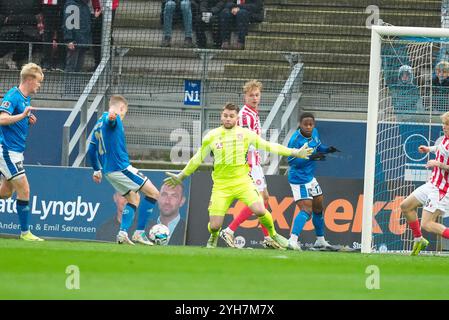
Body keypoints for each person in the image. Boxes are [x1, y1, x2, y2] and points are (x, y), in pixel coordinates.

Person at [164, 102, 313, 249]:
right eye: (225, 115)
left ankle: (274, 235)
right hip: (221, 186)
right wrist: (182, 175)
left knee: (260, 209)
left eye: (231, 116)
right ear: (221, 117)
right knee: (215, 226)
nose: (228, 118)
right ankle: (214, 235)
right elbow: (197, 158)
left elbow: (269, 146)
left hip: (243, 182)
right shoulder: (211, 136)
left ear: (237, 118)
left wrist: (294, 152)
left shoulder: (246, 134)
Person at [88, 95, 160, 245]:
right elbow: (111, 121)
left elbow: (91, 149)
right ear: (121, 108)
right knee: (153, 193)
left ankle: (122, 233)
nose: (123, 116)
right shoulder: (111, 118)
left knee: (134, 198)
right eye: (124, 112)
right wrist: (113, 118)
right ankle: (139, 233)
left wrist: (96, 170)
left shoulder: (98, 123)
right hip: (121, 168)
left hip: (108, 172)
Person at [220, 80, 277, 249]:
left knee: (264, 198)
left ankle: (268, 239)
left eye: (257, 95)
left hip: (255, 160)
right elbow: (242, 139)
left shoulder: (253, 113)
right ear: (245, 96)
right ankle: (229, 230)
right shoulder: (244, 115)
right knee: (258, 199)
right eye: (251, 95)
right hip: (248, 161)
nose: (254, 98)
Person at [0, 63, 42, 241]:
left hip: (16, 151)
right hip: (7, 151)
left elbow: (18, 118)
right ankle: (25, 233)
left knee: (6, 192)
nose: (39, 85)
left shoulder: (26, 99)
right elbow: (2, 119)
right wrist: (22, 116)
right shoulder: (13, 96)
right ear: (30, 80)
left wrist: (26, 118)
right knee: (25, 189)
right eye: (38, 82)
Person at [286, 112, 339, 251]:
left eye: (311, 124)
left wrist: (327, 149)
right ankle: (292, 241)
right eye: (305, 124)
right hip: (299, 179)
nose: (309, 127)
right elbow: (291, 161)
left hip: (310, 178)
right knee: (306, 209)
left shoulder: (315, 132)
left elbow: (318, 146)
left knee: (318, 207)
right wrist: (310, 157)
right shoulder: (295, 140)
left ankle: (320, 241)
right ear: (300, 124)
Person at [400, 111, 449, 256]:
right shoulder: (445, 139)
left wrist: (438, 164)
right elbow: (441, 149)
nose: (444, 127)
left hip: (441, 189)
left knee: (427, 224)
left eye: (447, 124)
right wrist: (429, 149)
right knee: (405, 206)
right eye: (444, 124)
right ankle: (418, 239)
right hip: (432, 184)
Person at [0, 1, 43, 70]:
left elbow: (38, 16)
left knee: (32, 41)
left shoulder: (35, 2)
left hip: (29, 32)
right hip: (7, 31)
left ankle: (14, 58)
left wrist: (10, 19)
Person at [63, 0, 101, 73]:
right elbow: (68, 24)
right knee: (71, 68)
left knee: (78, 68)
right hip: (74, 42)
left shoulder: (85, 6)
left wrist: (94, 17)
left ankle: (74, 84)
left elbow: (87, 25)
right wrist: (69, 40)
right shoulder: (71, 4)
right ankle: (68, 84)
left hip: (83, 42)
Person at [41, 0, 66, 71]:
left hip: (62, 6)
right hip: (48, 7)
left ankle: (61, 62)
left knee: (61, 34)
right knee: (48, 35)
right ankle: (47, 62)